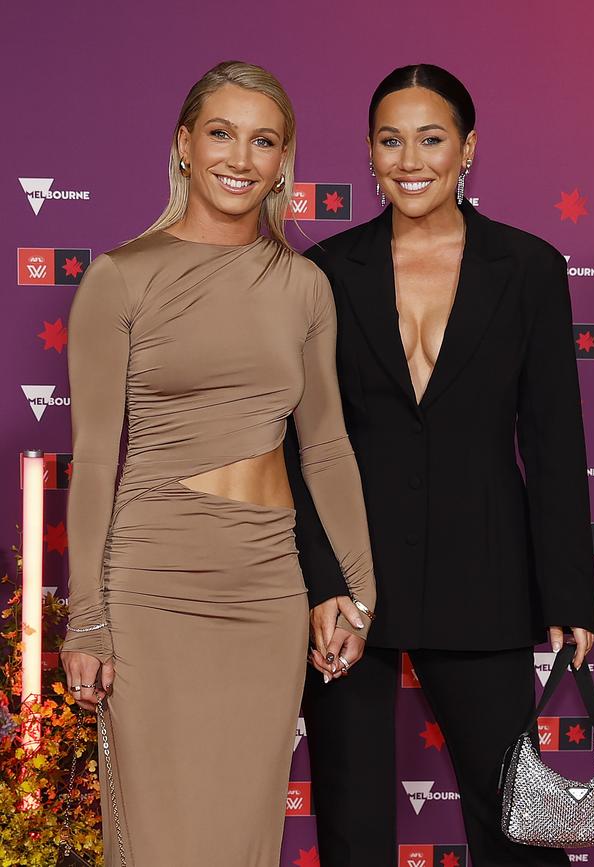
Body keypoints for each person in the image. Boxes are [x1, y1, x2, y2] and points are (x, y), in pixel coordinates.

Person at [59, 60, 375, 867]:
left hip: (267, 587)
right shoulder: (119, 278)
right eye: (222, 133)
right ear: (184, 145)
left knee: (242, 837)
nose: (241, 156)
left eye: (263, 140)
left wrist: (358, 587)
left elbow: (328, 445)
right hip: (154, 585)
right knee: (164, 838)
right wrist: (87, 614)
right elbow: (95, 460)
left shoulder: (304, 285)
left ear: (282, 162)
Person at [284, 63, 594, 867]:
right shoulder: (326, 271)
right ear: (369, 153)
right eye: (391, 140)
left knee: (513, 820)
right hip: (355, 581)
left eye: (431, 138)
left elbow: (555, 437)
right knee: (352, 820)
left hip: (482, 572)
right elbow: (305, 441)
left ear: (468, 149)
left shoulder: (529, 268)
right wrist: (323, 581)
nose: (411, 158)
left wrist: (568, 592)